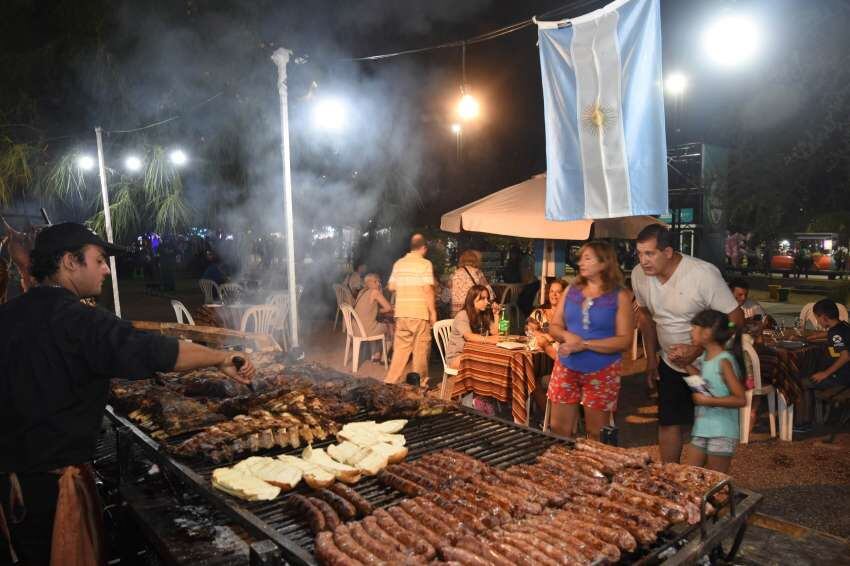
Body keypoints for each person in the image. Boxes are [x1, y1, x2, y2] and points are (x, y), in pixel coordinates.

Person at [0, 223, 255, 566]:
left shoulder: (9, 315)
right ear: (69, 262)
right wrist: (222, 357)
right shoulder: (80, 321)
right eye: (99, 259)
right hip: (52, 492)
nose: (106, 269)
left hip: (10, 487)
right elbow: (154, 351)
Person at [632, 224, 744, 463]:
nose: (643, 261)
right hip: (671, 362)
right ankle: (669, 476)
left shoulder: (702, 274)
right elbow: (645, 317)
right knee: (669, 419)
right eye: (639, 254)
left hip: (706, 364)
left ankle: (707, 482)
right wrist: (651, 358)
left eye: (650, 253)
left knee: (707, 422)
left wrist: (699, 349)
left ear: (668, 252)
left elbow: (735, 319)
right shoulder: (638, 276)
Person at [548, 241, 634, 440]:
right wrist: (565, 335)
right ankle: (562, 467)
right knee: (558, 428)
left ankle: (591, 468)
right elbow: (554, 326)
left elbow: (624, 341)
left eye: (588, 258)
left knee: (596, 432)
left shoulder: (619, 296)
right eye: (581, 258)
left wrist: (585, 344)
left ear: (604, 263)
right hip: (567, 366)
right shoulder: (571, 290)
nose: (581, 263)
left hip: (602, 369)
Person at [683, 310, 748, 473]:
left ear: (707, 333)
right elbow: (708, 386)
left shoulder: (724, 361)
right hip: (702, 427)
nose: (691, 332)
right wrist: (685, 364)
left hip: (721, 430)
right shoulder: (706, 356)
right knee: (690, 475)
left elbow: (741, 399)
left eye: (694, 328)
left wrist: (709, 402)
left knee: (716, 481)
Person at [385, 234, 437, 385]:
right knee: (420, 350)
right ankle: (420, 384)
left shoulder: (399, 263)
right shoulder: (425, 264)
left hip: (401, 312)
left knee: (400, 351)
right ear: (423, 248)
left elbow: (391, 286)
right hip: (419, 313)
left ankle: (390, 381)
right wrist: (433, 312)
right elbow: (427, 289)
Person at [445, 285, 501, 368]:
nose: (487, 302)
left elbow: (495, 333)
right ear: (472, 300)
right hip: (457, 356)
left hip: (476, 352)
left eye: (487, 298)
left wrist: (496, 314)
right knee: (486, 364)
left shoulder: (483, 314)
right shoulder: (463, 315)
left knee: (497, 361)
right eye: (482, 299)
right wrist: (490, 340)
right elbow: (469, 337)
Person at [806, 299, 850, 389]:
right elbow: (831, 333)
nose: (818, 322)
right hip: (845, 372)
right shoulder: (843, 325)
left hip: (842, 377)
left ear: (824, 318)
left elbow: (845, 356)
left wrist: (825, 374)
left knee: (804, 383)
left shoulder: (835, 334)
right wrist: (811, 337)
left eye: (817, 319)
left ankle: (809, 403)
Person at [353, 273, 394, 363]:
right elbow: (388, 308)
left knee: (376, 322)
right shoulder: (374, 292)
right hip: (365, 329)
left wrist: (377, 310)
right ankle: (384, 358)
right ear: (374, 281)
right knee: (390, 327)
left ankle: (375, 355)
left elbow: (368, 309)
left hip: (355, 328)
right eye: (379, 282)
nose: (379, 284)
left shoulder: (361, 292)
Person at [449, 250, 492, 316]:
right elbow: (488, 291)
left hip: (456, 310)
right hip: (470, 309)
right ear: (475, 260)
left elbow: (448, 292)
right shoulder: (477, 272)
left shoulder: (454, 273)